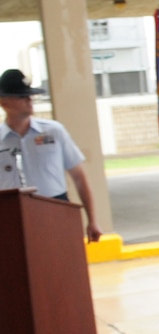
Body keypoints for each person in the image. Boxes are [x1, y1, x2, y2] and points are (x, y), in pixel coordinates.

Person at [0, 68, 102, 242]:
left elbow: (79, 177)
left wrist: (92, 220)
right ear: (4, 102)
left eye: (30, 95)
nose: (29, 100)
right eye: (21, 96)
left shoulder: (53, 131)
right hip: (10, 213)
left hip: (56, 207)